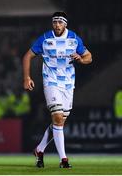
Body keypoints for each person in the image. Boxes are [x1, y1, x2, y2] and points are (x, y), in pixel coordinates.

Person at [22, 11, 92, 168]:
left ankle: (40, 149)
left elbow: (89, 57)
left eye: (60, 22)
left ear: (65, 24)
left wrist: (81, 59)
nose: (57, 25)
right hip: (51, 82)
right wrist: (27, 77)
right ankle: (64, 160)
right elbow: (27, 56)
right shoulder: (45, 39)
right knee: (58, 118)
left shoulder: (74, 39)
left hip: (68, 84)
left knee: (59, 122)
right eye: (55, 22)